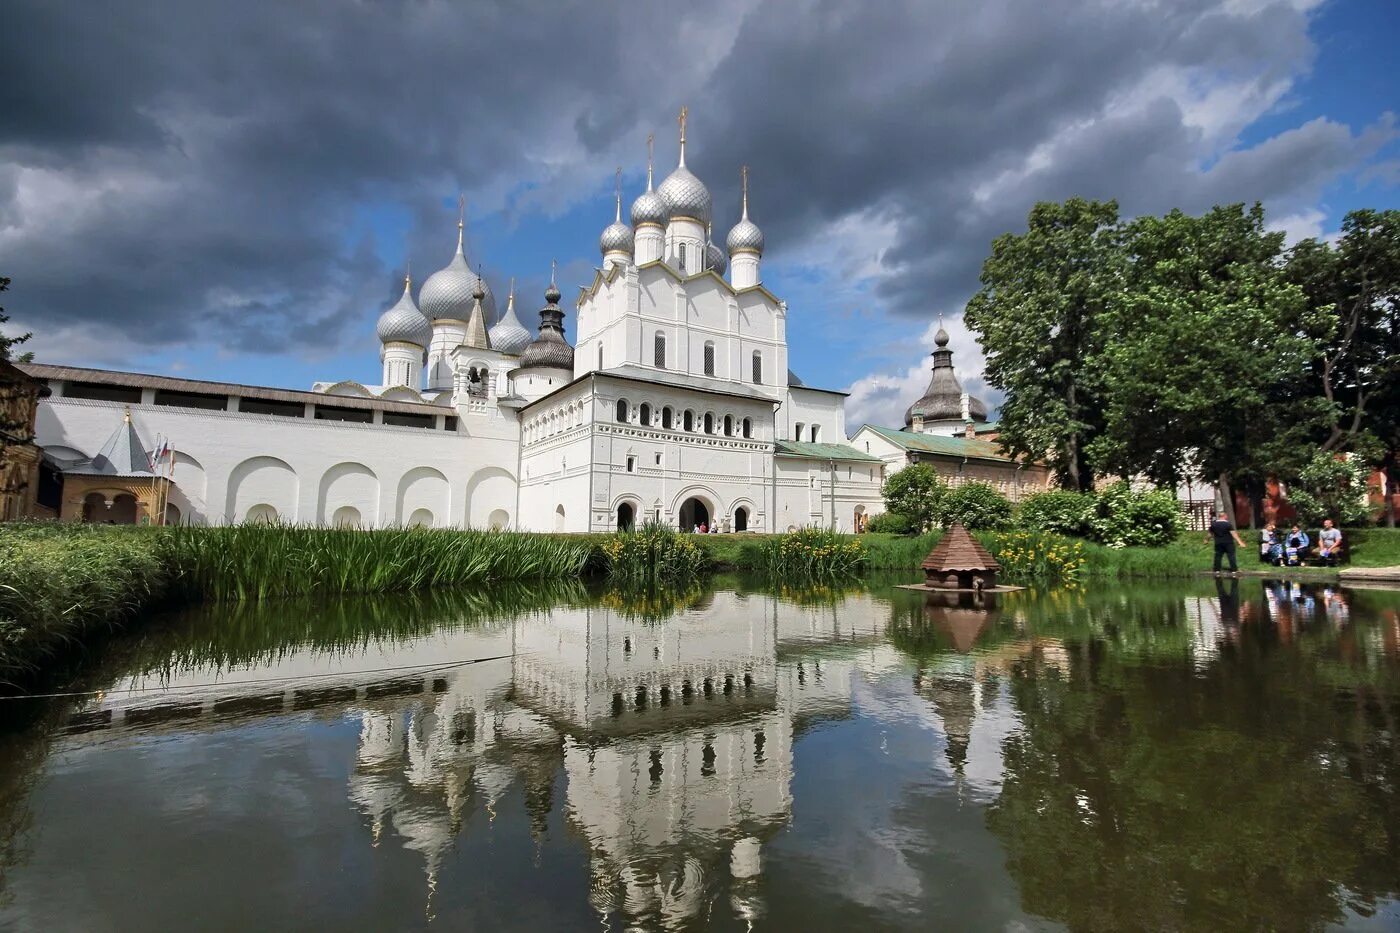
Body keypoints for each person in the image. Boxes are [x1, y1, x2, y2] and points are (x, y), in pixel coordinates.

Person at [1204, 510, 1245, 575]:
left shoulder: (1213, 524)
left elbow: (1210, 534)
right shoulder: (1228, 524)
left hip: (1218, 543)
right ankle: (1234, 570)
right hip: (1228, 543)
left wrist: (1206, 540)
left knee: (1218, 556)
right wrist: (1240, 542)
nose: (1227, 517)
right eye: (1226, 516)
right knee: (1231, 556)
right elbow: (1234, 534)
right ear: (1224, 516)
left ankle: (1217, 570)